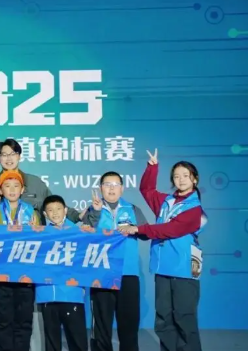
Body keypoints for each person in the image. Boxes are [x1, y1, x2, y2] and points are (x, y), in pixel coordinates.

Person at [118, 149, 207, 351]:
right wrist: (152, 167)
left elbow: (170, 229)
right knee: (163, 319)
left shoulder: (194, 208)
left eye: (185, 176)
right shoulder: (167, 201)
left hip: (183, 269)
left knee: (184, 318)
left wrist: (138, 228)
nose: (181, 180)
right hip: (162, 268)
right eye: (176, 176)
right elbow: (146, 189)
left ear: (194, 179)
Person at [83, 171, 147, 351]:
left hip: (128, 273)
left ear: (122, 188)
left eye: (115, 185)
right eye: (107, 185)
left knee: (129, 324)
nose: (111, 189)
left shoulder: (133, 209)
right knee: (101, 325)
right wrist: (95, 213)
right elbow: (84, 235)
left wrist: (134, 228)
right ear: (100, 188)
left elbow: (147, 233)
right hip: (101, 274)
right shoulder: (92, 209)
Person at [0, 169, 40, 351]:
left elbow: (39, 241)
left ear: (23, 189)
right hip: (2, 273)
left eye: (16, 186)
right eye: (7, 186)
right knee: (3, 319)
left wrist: (33, 231)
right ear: (0, 190)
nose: (12, 189)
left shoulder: (31, 212)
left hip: (25, 273)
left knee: (24, 320)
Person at [0, 138, 80, 225]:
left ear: (19, 156)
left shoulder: (35, 183)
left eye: (13, 153)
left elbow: (54, 206)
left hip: (33, 240)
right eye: (4, 155)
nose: (9, 158)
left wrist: (78, 216)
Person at [36, 195, 87, 351]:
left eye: (58, 209)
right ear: (45, 214)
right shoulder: (38, 235)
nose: (55, 213)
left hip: (71, 293)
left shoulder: (79, 232)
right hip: (47, 294)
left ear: (65, 210)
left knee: (77, 340)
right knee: (51, 341)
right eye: (50, 210)